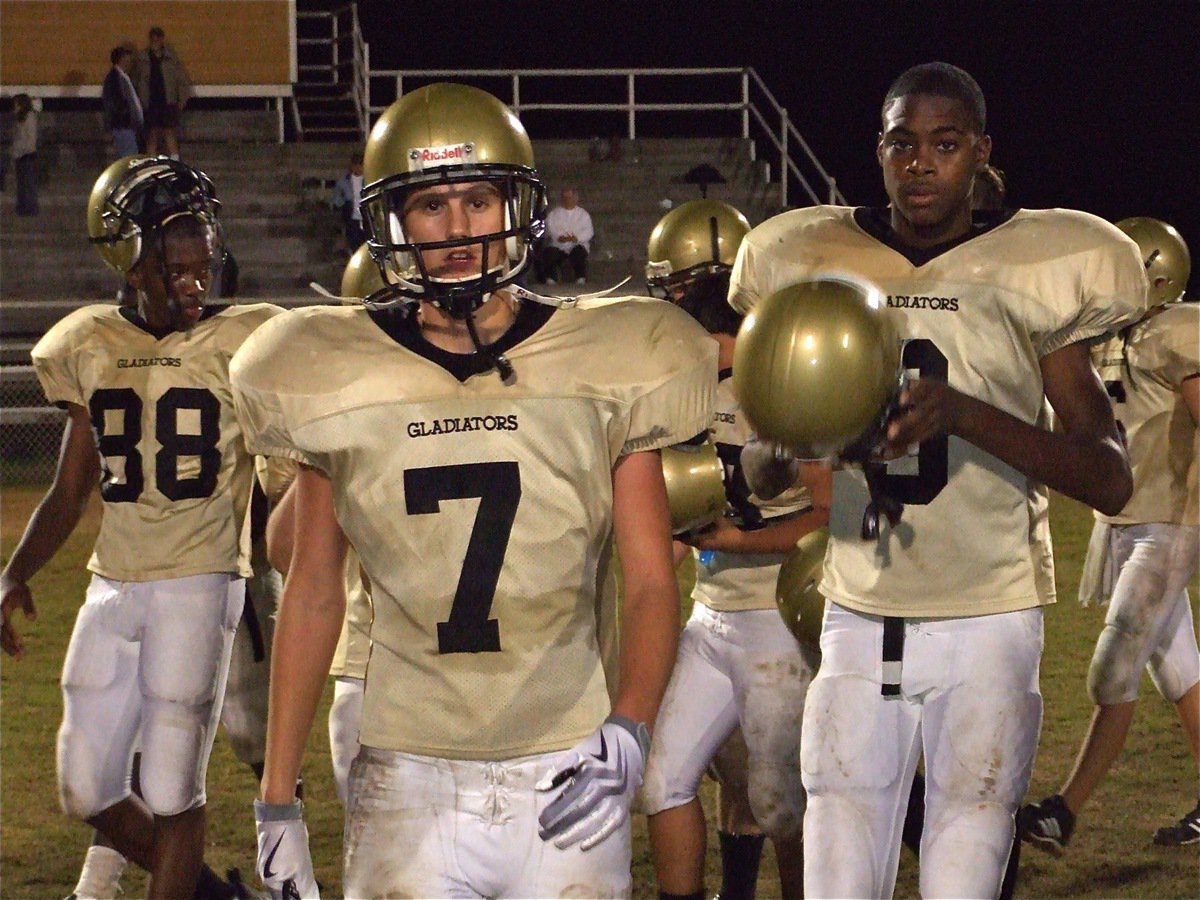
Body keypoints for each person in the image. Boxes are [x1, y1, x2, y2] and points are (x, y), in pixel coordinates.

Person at [230, 82, 714, 899]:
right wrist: (277, 801)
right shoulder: (334, 372)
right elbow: (313, 592)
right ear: (392, 220)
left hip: (567, 755)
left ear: (514, 206)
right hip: (408, 771)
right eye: (430, 205)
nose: (457, 230)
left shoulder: (608, 360)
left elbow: (652, 576)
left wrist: (630, 727)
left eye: (478, 199)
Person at [728, 62, 1148, 898]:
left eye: (945, 144)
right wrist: (793, 444)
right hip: (857, 610)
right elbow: (763, 463)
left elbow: (1109, 478)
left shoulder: (1031, 271)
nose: (920, 163)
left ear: (980, 153)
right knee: (837, 870)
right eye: (901, 143)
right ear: (879, 154)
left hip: (988, 615)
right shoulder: (818, 261)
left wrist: (966, 415)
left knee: (966, 861)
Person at [0, 155, 282, 899]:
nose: (198, 263)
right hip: (112, 579)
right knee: (84, 785)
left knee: (170, 787)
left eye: (202, 241)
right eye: (177, 246)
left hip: (202, 579)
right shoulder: (86, 342)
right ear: (129, 257)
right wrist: (14, 572)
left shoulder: (249, 338)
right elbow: (70, 488)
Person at [640, 199, 826, 900]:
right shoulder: (682, 387)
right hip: (709, 619)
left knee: (781, 804)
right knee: (661, 780)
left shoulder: (784, 378)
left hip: (777, 623)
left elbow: (829, 519)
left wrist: (736, 540)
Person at [1019, 217, 1199, 852]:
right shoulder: (1107, 341)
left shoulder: (1179, 331)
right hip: (1123, 522)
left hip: (1169, 524)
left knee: (1113, 665)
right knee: (1179, 672)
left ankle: (1063, 811)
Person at [134, 26, 192, 159]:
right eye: (152, 39)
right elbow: (135, 82)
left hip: (168, 102)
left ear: (161, 40)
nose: (155, 42)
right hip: (149, 103)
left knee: (170, 133)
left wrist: (181, 103)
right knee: (152, 135)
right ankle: (151, 163)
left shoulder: (171, 60)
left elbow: (182, 82)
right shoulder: (142, 60)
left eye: (157, 39)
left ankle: (175, 162)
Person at [536, 187, 594, 284]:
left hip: (577, 244)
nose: (567, 200)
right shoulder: (554, 214)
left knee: (579, 253)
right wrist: (559, 237)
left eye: (569, 198)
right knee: (549, 253)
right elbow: (550, 228)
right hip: (559, 245)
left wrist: (577, 238)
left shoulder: (583, 214)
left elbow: (589, 232)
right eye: (565, 198)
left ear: (575, 199)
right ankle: (551, 278)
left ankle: (580, 278)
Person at [102, 46, 143, 159]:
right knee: (129, 158)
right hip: (123, 126)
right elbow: (112, 104)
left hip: (127, 126)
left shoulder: (123, 77)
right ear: (122, 59)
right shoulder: (115, 79)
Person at [331, 151, 366, 256]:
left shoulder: (368, 179)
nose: (358, 168)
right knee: (353, 241)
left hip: (366, 215)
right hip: (352, 216)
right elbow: (336, 198)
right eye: (356, 165)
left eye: (360, 165)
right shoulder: (344, 181)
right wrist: (344, 203)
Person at [12, 93, 39, 216]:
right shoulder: (19, 117)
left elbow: (31, 138)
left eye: (17, 104)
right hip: (19, 154)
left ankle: (31, 207)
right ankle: (22, 206)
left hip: (27, 155)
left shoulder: (29, 117)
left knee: (29, 183)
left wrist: (23, 150)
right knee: (21, 183)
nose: (15, 106)